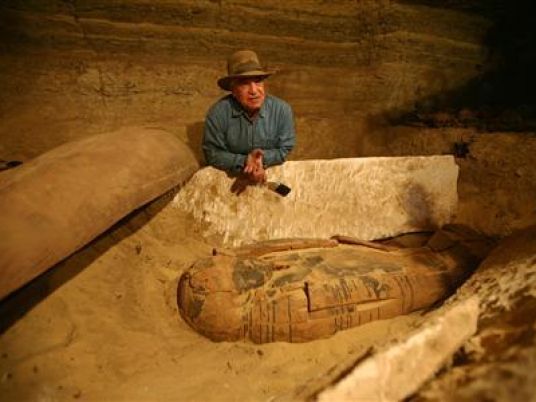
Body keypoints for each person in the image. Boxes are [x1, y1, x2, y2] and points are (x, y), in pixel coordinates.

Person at [202, 49, 295, 184]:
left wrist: (262, 159)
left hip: (270, 176)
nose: (253, 91)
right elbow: (212, 153)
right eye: (244, 83)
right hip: (231, 182)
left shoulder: (281, 110)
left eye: (258, 81)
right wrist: (244, 161)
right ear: (233, 90)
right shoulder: (218, 113)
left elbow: (285, 148)